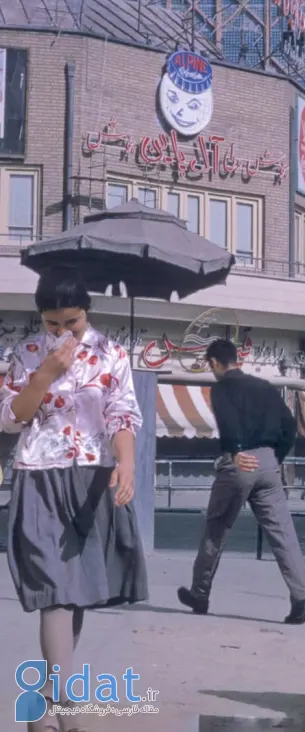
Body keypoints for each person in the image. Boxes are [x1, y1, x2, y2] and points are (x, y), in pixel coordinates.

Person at [0, 269, 148, 729]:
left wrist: (127, 464)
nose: (64, 332)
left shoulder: (112, 353)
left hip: (93, 476)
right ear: (41, 318)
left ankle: (46, 701)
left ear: (87, 313)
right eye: (53, 323)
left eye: (73, 323)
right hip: (38, 474)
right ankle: (65, 703)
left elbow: (122, 414)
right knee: (54, 589)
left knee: (76, 591)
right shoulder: (24, 353)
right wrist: (45, 374)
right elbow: (10, 418)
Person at [177, 339, 305, 625]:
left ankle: (199, 594)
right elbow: (289, 425)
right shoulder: (265, 387)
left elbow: (228, 421)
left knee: (216, 528)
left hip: (240, 462)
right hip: (268, 463)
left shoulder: (222, 388)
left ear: (214, 362)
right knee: (283, 533)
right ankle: (301, 600)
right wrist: (276, 457)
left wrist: (236, 451)